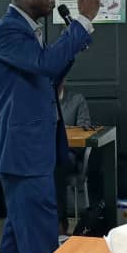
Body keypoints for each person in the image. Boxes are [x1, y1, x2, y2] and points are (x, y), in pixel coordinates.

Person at [0, 0, 100, 253]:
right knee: (40, 245)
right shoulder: (8, 30)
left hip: (31, 152)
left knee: (17, 240)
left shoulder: (25, 31)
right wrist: (82, 21)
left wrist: (71, 43)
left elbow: (46, 75)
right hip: (23, 154)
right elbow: (44, 64)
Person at [55, 79, 94, 236]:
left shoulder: (76, 100)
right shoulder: (40, 100)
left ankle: (59, 222)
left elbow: (85, 130)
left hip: (70, 153)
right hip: (45, 152)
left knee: (55, 165)